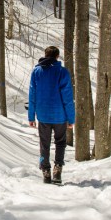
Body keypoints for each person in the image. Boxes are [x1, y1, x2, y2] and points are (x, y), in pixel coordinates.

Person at [27, 46, 75, 184]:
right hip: (60, 116)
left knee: (44, 144)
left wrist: (31, 116)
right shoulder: (62, 72)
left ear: (45, 55)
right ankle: (57, 170)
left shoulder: (36, 72)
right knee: (60, 143)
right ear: (57, 56)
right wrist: (71, 118)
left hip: (43, 116)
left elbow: (32, 95)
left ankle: (46, 171)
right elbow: (67, 97)